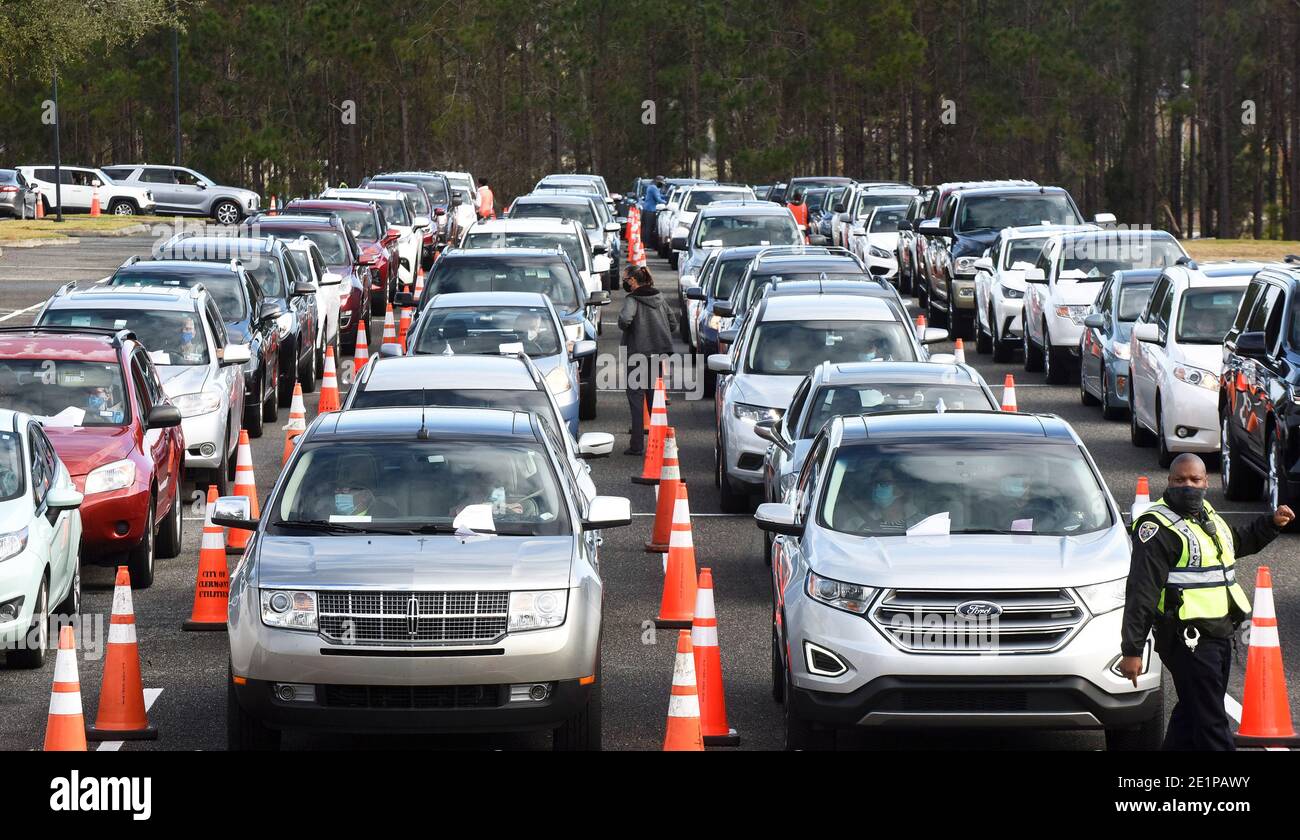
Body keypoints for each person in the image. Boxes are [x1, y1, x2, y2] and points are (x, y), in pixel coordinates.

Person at [1119, 453, 1294, 750]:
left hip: (1220, 633)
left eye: (1195, 479)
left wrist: (1271, 524)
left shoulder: (1206, 513)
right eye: (1180, 480)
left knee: (1191, 714)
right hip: (1188, 639)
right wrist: (1132, 650)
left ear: (1205, 482)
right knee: (1212, 723)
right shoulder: (1157, 528)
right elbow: (1141, 591)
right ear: (1170, 481)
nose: (1188, 485)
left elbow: (1234, 544)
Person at [618, 265, 676, 455]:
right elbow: (673, 323)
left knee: (635, 399)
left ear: (633, 281)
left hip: (637, 354)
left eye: (625, 279)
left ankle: (637, 445)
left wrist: (632, 329)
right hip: (656, 355)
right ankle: (660, 443)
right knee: (655, 399)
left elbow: (625, 320)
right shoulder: (659, 298)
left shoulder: (633, 300)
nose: (624, 283)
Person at [641, 176, 667, 250]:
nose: (661, 185)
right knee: (649, 228)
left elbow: (658, 196)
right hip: (650, 210)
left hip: (647, 209)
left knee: (646, 227)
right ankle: (647, 244)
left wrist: (665, 196)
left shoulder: (650, 187)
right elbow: (658, 199)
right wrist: (666, 202)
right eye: (661, 183)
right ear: (657, 181)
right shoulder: (654, 188)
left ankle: (645, 243)